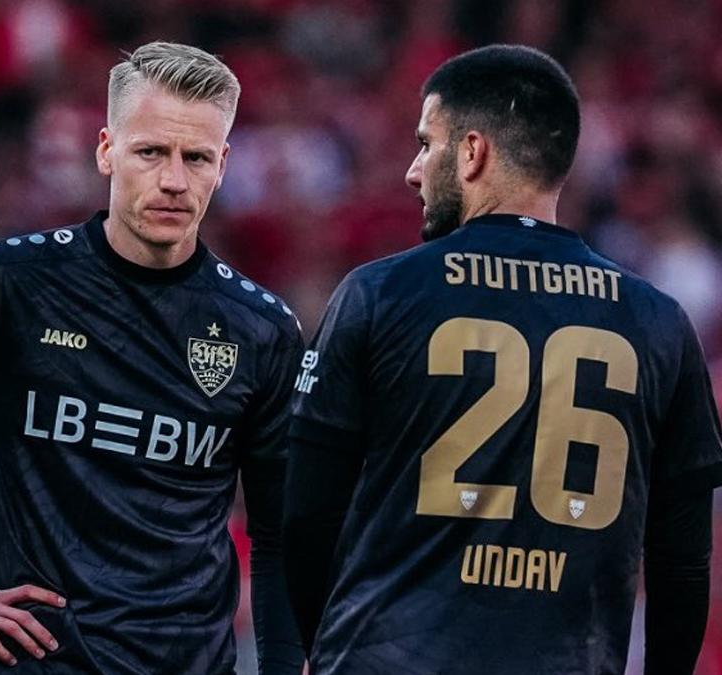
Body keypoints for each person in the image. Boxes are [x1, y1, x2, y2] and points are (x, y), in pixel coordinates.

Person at [0, 41, 303, 673]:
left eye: (196, 157)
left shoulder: (261, 329)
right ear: (106, 150)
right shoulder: (10, 282)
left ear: (224, 164)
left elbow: (281, 534)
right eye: (150, 151)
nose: (174, 179)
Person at [282, 43, 722, 675]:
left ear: (472, 152)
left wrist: (322, 649)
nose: (412, 169)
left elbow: (307, 517)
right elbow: (682, 560)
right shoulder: (659, 321)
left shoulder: (378, 294)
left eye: (426, 143)